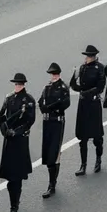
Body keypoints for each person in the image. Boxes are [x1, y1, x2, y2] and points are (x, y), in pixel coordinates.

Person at [0, 73, 36, 212]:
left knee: (17, 176)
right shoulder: (9, 98)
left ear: (24, 85)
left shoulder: (29, 100)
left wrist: (17, 132)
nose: (17, 86)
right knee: (9, 177)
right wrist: (5, 131)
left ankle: (14, 207)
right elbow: (1, 116)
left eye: (19, 84)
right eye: (16, 84)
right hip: (9, 139)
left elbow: (30, 121)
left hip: (20, 140)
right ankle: (13, 204)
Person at [70, 45, 106, 175]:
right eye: (86, 56)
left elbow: (100, 86)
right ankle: (83, 164)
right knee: (83, 136)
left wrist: (87, 93)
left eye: (88, 56)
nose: (86, 59)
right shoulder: (83, 68)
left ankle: (98, 159)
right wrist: (74, 77)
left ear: (93, 57)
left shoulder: (100, 68)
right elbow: (76, 87)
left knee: (97, 135)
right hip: (84, 104)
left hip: (94, 103)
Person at [38, 63, 71, 198]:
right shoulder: (47, 87)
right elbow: (40, 101)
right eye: (52, 74)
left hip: (57, 121)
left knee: (54, 152)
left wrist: (51, 107)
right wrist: (44, 108)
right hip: (47, 121)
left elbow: (65, 103)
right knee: (47, 152)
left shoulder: (63, 88)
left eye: (55, 74)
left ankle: (52, 184)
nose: (53, 77)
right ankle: (51, 179)